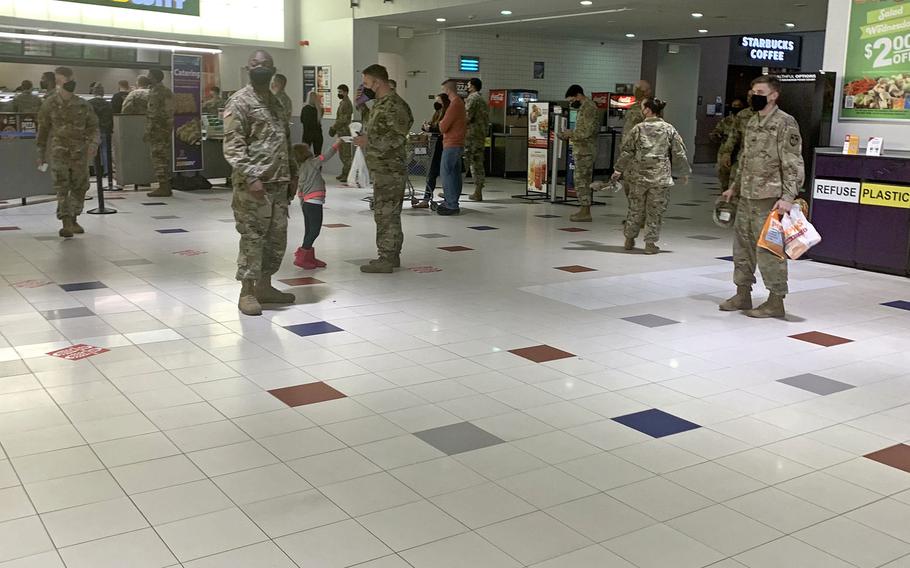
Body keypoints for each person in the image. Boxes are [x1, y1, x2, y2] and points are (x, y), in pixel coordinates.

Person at [720, 75, 804, 318]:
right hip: (747, 195)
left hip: (770, 197)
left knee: (769, 249)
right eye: (752, 90)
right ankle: (742, 293)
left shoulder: (785, 123)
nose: (753, 95)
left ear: (773, 95)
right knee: (742, 247)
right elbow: (744, 158)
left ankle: (775, 300)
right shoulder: (752, 121)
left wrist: (788, 196)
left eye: (759, 91)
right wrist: (734, 187)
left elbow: (793, 163)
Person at [223, 49, 299, 315]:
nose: (260, 67)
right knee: (252, 237)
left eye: (265, 64)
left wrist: (293, 174)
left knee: (276, 239)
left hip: (279, 183)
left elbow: (284, 141)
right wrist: (251, 176)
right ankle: (247, 291)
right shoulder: (239, 101)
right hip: (253, 186)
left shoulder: (276, 102)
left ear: (273, 69)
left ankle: (265, 286)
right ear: (248, 68)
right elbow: (233, 146)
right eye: (255, 64)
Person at [353, 64, 413, 273]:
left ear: (377, 82)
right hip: (381, 168)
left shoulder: (396, 106)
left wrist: (368, 141)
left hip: (391, 169)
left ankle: (387, 257)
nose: (365, 87)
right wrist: (361, 106)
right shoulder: (380, 103)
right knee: (384, 212)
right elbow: (375, 127)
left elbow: (395, 138)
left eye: (367, 83)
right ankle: (390, 255)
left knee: (386, 213)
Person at [612, 97, 690, 255]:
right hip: (659, 178)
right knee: (655, 211)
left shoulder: (638, 128)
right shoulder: (669, 129)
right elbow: (678, 152)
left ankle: (629, 239)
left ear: (648, 110)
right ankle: (650, 244)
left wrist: (618, 170)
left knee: (635, 209)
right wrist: (684, 171)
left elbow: (627, 151)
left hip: (638, 177)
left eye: (643, 107)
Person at [36, 67, 100, 238]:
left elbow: (94, 127)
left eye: (64, 79)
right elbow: (42, 131)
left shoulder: (83, 105)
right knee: (62, 186)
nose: (62, 83)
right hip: (59, 152)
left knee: (80, 186)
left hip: (80, 152)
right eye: (59, 80)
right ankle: (66, 222)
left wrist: (94, 144)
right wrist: (40, 154)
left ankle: (74, 217)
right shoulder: (49, 104)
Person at [292, 141, 340, 269]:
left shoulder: (301, 167)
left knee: (309, 230)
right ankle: (302, 256)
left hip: (306, 203)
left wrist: (302, 202)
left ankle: (309, 256)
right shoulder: (312, 163)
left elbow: (300, 188)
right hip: (314, 202)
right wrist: (337, 144)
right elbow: (326, 155)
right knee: (314, 230)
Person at [560, 84, 599, 222]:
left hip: (585, 151)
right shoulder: (584, 108)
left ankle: (585, 211)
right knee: (581, 180)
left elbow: (586, 132)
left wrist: (571, 133)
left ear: (578, 96)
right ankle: (584, 209)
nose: (571, 103)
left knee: (582, 181)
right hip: (582, 149)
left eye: (572, 100)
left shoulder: (588, 108)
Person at [414, 93, 449, 209]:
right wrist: (426, 127)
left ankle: (433, 198)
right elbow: (433, 126)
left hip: (442, 146)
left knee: (439, 173)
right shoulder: (437, 114)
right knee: (432, 174)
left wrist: (431, 128)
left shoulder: (447, 114)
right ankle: (426, 198)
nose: (436, 104)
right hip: (435, 146)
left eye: (439, 101)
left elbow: (441, 128)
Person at [437, 79, 466, 216]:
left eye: (444, 90)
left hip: (451, 144)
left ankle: (450, 204)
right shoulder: (460, 103)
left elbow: (443, 127)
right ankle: (453, 201)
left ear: (448, 90)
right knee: (454, 174)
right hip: (458, 143)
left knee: (446, 174)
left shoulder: (455, 104)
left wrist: (441, 121)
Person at [145, 70, 175, 197]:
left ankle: (163, 187)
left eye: (149, 76)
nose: (147, 77)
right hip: (166, 129)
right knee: (164, 156)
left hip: (157, 130)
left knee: (158, 157)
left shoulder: (156, 93)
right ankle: (166, 185)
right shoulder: (167, 91)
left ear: (154, 78)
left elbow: (153, 114)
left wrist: (148, 131)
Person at [718, 95, 757, 190]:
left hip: (759, 159)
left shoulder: (778, 118)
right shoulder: (742, 115)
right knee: (730, 182)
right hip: (740, 155)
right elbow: (733, 136)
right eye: (748, 96)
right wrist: (727, 152)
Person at [621, 79, 652, 198]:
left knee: (639, 186)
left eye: (639, 90)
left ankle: (639, 215)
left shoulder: (650, 106)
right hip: (628, 152)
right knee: (628, 184)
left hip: (641, 153)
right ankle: (633, 213)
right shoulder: (633, 106)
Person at [710, 98, 745, 190]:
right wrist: (716, 135)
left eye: (738, 106)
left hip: (739, 152)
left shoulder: (745, 120)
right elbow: (717, 131)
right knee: (723, 175)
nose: (736, 108)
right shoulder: (726, 120)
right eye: (734, 106)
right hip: (724, 151)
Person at [464, 78, 490, 202]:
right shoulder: (482, 99)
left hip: (471, 136)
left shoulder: (472, 98)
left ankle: (452, 190)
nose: (467, 87)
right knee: (478, 162)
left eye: (468, 85)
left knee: (464, 162)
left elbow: (467, 117)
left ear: (473, 86)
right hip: (480, 135)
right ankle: (478, 191)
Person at [88, 84, 114, 177]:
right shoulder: (108, 104)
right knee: (105, 151)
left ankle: (97, 170)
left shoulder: (89, 103)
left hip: (94, 131)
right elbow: (111, 118)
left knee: (95, 151)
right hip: (105, 130)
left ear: (94, 92)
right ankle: (107, 171)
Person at [330, 84, 354, 182]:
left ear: (345, 92)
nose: (339, 94)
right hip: (341, 131)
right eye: (338, 92)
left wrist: (333, 127)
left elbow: (343, 119)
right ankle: (344, 173)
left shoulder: (346, 103)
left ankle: (347, 174)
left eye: (340, 92)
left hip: (345, 132)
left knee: (346, 155)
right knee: (342, 154)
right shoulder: (343, 102)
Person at [300, 91, 324, 155]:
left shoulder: (305, 109)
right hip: (317, 134)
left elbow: (302, 120)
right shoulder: (319, 109)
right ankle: (319, 164)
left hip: (308, 134)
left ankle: (310, 165)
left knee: (305, 155)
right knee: (318, 154)